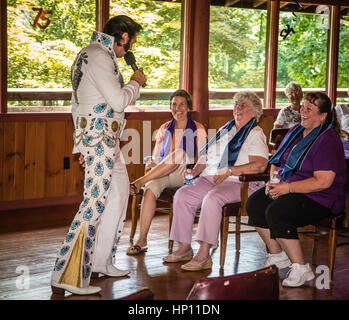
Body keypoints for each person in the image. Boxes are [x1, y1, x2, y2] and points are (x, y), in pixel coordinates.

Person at [51, 15, 147, 295]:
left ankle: (101, 261)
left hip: (104, 140)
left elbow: (77, 104)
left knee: (118, 195)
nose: (129, 50)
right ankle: (67, 275)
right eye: (131, 43)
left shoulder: (91, 53)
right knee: (94, 202)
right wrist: (135, 82)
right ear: (125, 37)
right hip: (100, 139)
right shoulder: (100, 56)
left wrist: (81, 146)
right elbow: (118, 100)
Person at [246, 92, 347, 287]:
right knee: (255, 204)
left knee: (277, 211)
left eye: (309, 109)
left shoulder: (328, 140)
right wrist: (274, 180)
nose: (303, 111)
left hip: (321, 196)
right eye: (303, 107)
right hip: (289, 186)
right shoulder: (295, 131)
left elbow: (323, 181)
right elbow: (276, 160)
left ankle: (301, 268)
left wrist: (288, 187)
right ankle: (277, 255)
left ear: (323, 115)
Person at [163, 91, 269, 271]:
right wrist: (195, 169)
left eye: (243, 105)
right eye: (236, 104)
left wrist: (230, 170)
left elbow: (259, 165)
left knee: (212, 199)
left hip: (241, 183)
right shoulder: (225, 129)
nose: (238, 108)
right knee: (183, 195)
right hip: (211, 178)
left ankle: (204, 253)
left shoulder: (255, 133)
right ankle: (184, 247)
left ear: (255, 111)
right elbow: (206, 156)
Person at [126, 89, 207, 255]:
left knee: (180, 153)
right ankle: (142, 240)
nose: (178, 108)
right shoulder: (164, 128)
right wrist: (151, 163)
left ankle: (139, 182)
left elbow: (204, 159)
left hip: (186, 174)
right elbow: (156, 158)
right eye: (174, 105)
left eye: (182, 105)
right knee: (150, 190)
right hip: (164, 172)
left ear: (189, 108)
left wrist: (194, 172)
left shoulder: (198, 129)